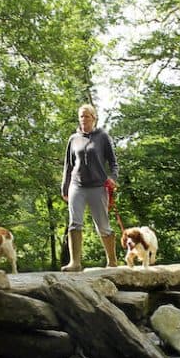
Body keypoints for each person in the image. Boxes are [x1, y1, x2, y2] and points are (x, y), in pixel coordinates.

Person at [61, 103, 119, 271]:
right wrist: (65, 187)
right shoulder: (73, 139)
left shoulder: (102, 137)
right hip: (76, 186)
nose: (84, 119)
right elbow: (68, 166)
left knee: (102, 226)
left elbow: (114, 163)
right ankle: (75, 263)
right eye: (81, 116)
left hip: (98, 186)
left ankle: (112, 261)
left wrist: (113, 178)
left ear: (94, 118)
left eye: (87, 116)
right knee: (74, 223)